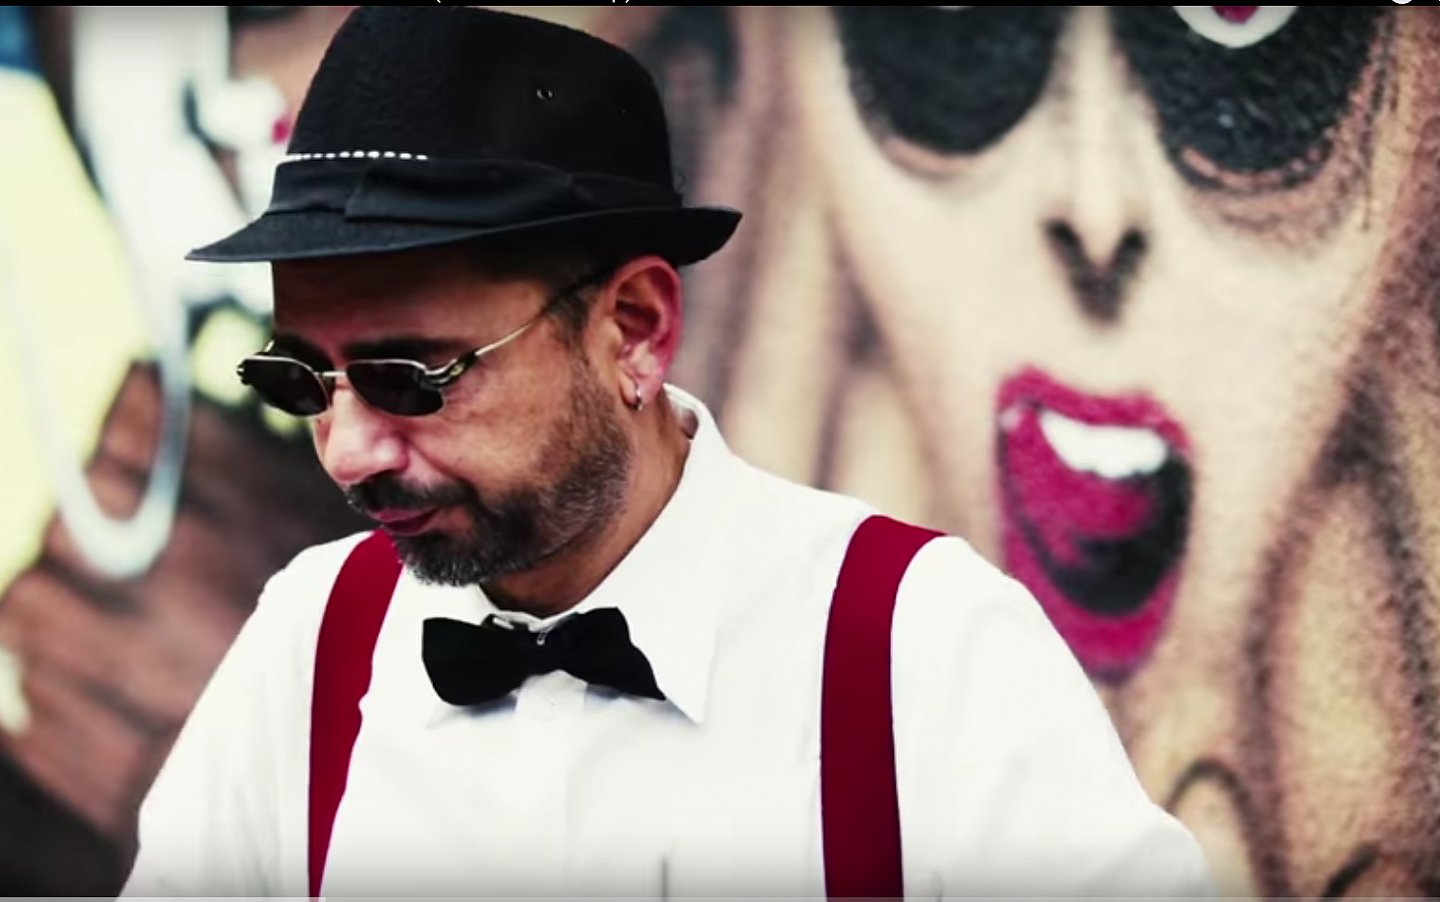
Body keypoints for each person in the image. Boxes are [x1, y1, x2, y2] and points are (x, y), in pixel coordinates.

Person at [120, 7, 1216, 898]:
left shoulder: (920, 645)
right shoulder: (313, 640)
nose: (351, 452)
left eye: (413, 377)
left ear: (634, 330)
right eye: (301, 380)